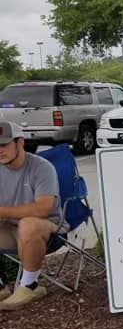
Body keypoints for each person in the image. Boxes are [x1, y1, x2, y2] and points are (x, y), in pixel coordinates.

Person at [0, 120, 63, 309]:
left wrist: (2, 211)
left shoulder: (42, 167)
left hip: (47, 230)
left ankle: (30, 285)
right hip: (10, 229)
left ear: (20, 143)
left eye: (4, 145)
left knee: (29, 223)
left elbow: (44, 209)